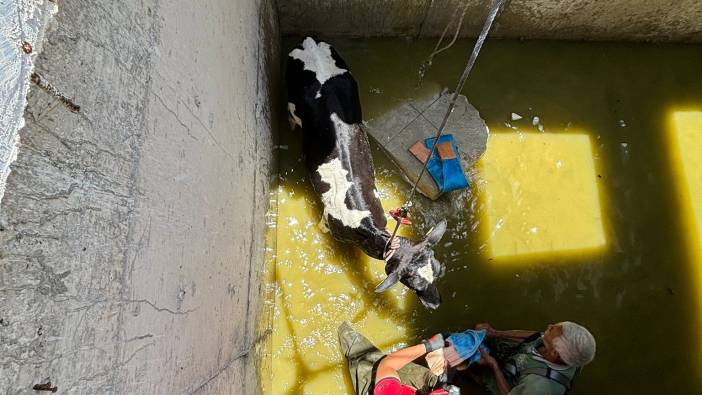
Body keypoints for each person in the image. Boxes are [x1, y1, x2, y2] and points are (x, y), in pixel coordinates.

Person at [466, 322, 596, 395]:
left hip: (514, 385)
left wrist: (493, 366)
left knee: (467, 367)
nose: (549, 326)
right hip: (521, 361)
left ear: (554, 353)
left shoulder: (539, 387)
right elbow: (535, 336)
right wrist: (496, 333)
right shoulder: (573, 354)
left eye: (551, 330)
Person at [338, 321, 459, 395]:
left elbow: (387, 364)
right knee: (438, 381)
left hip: (382, 389)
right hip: (422, 389)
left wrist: (428, 346)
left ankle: (340, 327)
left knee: (363, 355)